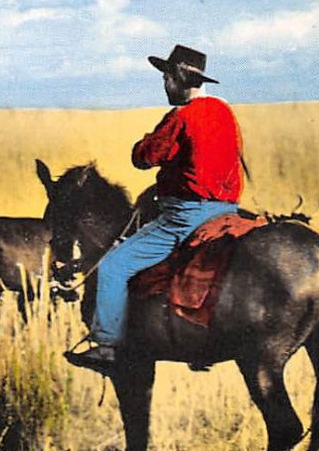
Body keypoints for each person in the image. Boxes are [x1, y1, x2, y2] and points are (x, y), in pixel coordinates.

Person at [65, 45, 243, 375]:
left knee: (114, 266)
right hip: (229, 211)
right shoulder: (224, 112)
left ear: (178, 78)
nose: (164, 84)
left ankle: (106, 345)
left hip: (186, 217)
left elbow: (143, 157)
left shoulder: (181, 117)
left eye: (166, 77)